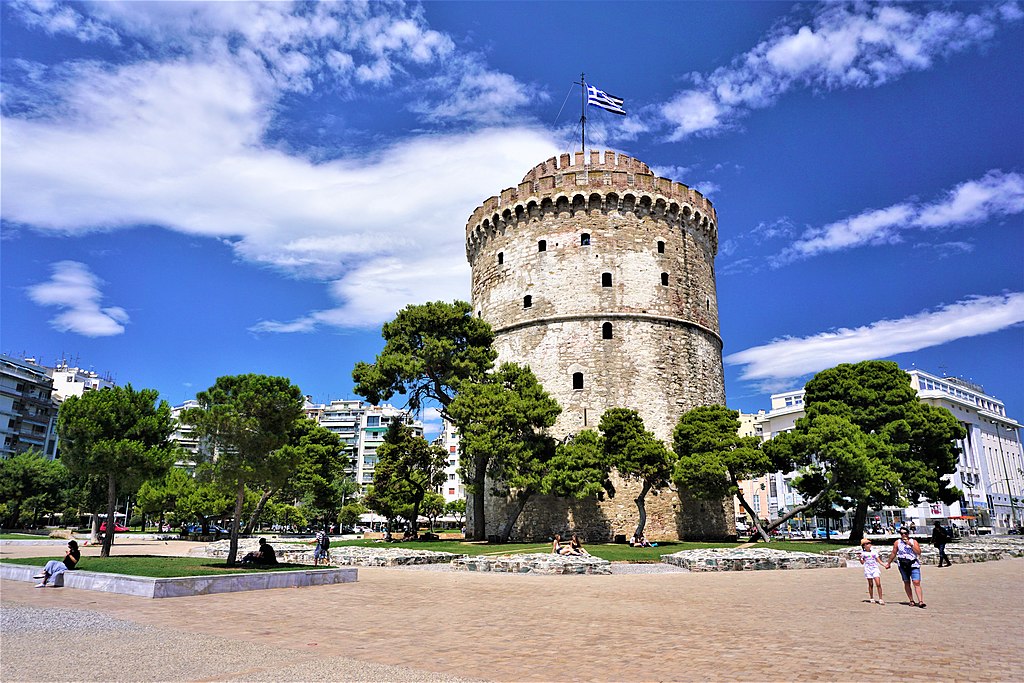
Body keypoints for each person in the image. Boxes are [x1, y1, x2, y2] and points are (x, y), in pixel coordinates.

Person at [886, 528, 925, 607]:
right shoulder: (897, 542)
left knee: (916, 582)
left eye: (905, 533)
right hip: (903, 565)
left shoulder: (913, 541)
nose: (904, 535)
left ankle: (920, 601)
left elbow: (918, 552)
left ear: (908, 533)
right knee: (906, 582)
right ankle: (911, 600)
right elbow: (893, 553)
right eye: (901, 533)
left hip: (913, 564)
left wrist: (910, 545)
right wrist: (888, 563)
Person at [858, 538, 887, 604]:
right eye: (867, 544)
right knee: (870, 584)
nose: (869, 545)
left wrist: (885, 565)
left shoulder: (874, 552)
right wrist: (860, 558)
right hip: (868, 569)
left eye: (869, 543)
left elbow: (879, 561)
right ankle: (871, 597)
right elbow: (862, 562)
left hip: (875, 569)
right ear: (864, 546)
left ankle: (880, 598)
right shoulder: (863, 553)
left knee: (878, 584)